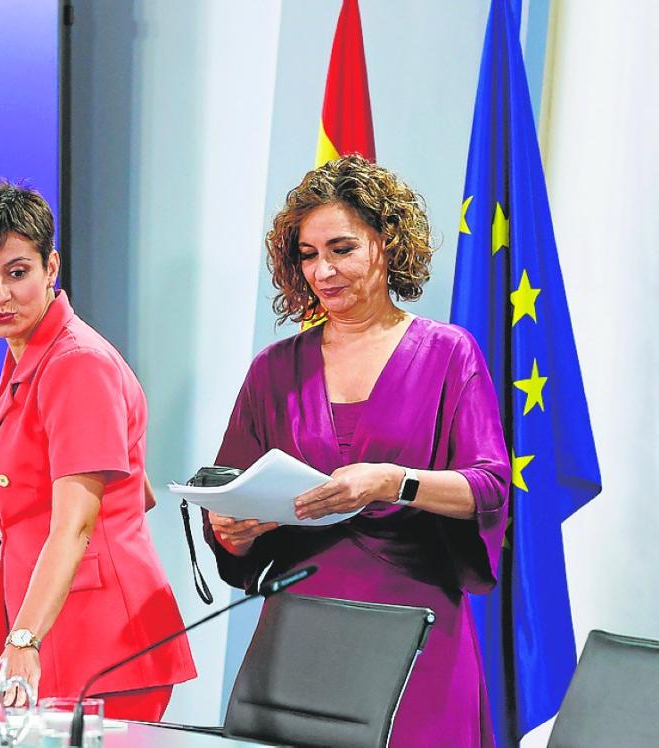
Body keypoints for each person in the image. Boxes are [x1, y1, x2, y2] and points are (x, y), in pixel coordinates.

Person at [207, 155, 509, 745]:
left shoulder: (449, 354)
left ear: (388, 243)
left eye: (341, 249)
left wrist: (391, 481)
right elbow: (228, 490)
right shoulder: (274, 370)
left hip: (413, 629)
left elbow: (490, 487)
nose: (323, 270)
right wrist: (232, 529)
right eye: (308, 254)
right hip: (299, 629)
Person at [0, 183, 196, 721]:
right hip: (50, 617)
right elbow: (137, 490)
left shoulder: (74, 362)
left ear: (50, 265)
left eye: (17, 272)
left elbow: (75, 525)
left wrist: (24, 638)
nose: (1, 296)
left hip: (97, 634)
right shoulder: (28, 356)